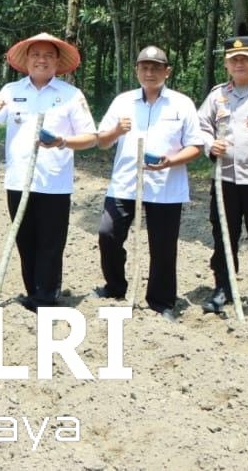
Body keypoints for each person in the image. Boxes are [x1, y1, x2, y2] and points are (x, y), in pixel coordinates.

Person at [0, 32, 97, 311]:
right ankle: (33, 293)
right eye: (36, 55)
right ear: (27, 60)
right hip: (18, 181)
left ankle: (46, 298)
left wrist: (62, 141)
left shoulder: (70, 95)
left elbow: (90, 137)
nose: (42, 60)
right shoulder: (10, 92)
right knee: (25, 241)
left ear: (57, 62)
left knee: (51, 244)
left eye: (48, 55)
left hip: (55, 184)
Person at [94, 46, 205, 321]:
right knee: (108, 234)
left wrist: (171, 161)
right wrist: (116, 131)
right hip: (125, 184)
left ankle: (161, 301)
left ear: (167, 71)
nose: (150, 72)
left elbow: (196, 146)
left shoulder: (182, 104)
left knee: (163, 247)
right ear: (136, 70)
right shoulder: (123, 102)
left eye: (156, 67)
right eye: (144, 67)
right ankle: (115, 286)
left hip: (166, 187)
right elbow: (102, 142)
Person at [196, 35, 248, 314]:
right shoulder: (217, 95)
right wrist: (210, 145)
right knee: (223, 235)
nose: (239, 64)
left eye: (244, 59)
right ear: (226, 64)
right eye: (234, 60)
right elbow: (200, 127)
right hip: (226, 180)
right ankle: (223, 288)